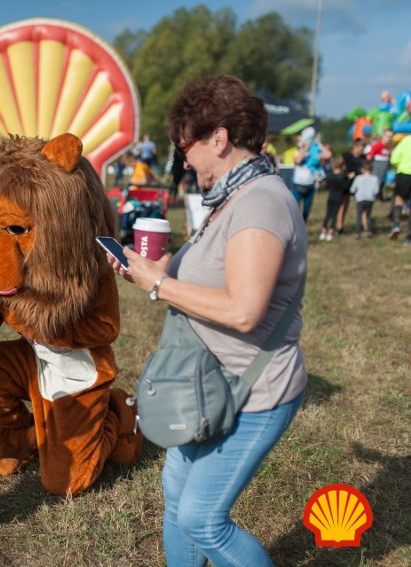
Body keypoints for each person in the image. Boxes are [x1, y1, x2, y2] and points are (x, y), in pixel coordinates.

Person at [109, 75, 307, 566]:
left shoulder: (260, 202)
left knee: (201, 519)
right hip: (210, 383)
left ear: (218, 139)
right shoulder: (230, 200)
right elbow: (211, 278)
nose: (183, 160)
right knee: (177, 500)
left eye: (185, 147)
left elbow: (243, 310)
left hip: (254, 392)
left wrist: (157, 284)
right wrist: (152, 270)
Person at [290, 127, 327, 221]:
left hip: (310, 185)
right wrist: (305, 148)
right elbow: (298, 160)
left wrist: (318, 143)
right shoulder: (296, 152)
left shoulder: (314, 151)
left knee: (306, 211)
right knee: (294, 210)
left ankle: (303, 227)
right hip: (298, 185)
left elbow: (328, 155)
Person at [337, 138, 366, 234]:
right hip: (346, 183)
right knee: (343, 205)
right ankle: (339, 227)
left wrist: (356, 174)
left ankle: (365, 227)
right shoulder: (346, 156)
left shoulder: (363, 158)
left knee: (363, 206)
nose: (362, 150)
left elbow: (364, 170)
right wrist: (346, 174)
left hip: (359, 185)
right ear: (355, 147)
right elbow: (340, 167)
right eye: (361, 148)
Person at [319, 156, 350, 241]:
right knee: (334, 215)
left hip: (330, 196)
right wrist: (349, 179)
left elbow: (327, 186)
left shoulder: (330, 176)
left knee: (328, 214)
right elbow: (345, 187)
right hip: (338, 197)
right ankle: (331, 231)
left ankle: (323, 230)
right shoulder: (343, 177)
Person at [388, 133, 411, 244]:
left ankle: (396, 224)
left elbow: (394, 159)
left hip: (403, 174)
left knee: (399, 200)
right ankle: (408, 237)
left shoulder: (405, 140)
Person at [350, 159, 380, 238]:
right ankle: (369, 231)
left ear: (362, 169)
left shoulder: (358, 178)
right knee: (368, 215)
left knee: (359, 216)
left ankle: (357, 232)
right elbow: (376, 190)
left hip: (360, 199)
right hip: (370, 199)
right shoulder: (375, 178)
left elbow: (352, 189)